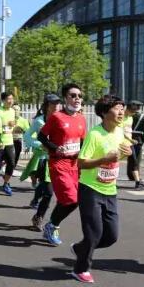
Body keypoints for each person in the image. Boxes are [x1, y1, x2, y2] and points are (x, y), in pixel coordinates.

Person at [70, 95, 132, 283]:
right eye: (117, 108)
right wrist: (104, 159)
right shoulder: (95, 134)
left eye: (123, 107)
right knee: (93, 233)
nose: (121, 111)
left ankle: (81, 248)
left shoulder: (120, 132)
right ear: (104, 112)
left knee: (111, 236)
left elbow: (117, 156)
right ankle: (81, 269)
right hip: (90, 189)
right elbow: (81, 163)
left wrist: (126, 153)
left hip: (110, 190)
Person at [38, 84, 87, 246]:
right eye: (73, 95)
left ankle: (51, 224)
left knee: (74, 200)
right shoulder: (57, 117)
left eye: (79, 95)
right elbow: (42, 136)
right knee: (71, 199)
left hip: (75, 165)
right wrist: (55, 148)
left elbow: (83, 141)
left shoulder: (81, 118)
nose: (77, 98)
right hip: (58, 163)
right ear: (66, 98)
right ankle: (52, 226)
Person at [22, 94, 62, 232]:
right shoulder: (39, 121)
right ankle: (39, 217)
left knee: (47, 188)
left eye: (58, 104)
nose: (56, 106)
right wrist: (39, 144)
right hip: (44, 159)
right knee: (49, 192)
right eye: (53, 104)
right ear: (46, 106)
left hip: (60, 160)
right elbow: (27, 136)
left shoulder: (62, 119)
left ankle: (36, 200)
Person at [123, 101, 144, 189]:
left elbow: (129, 130)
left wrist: (131, 140)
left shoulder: (130, 118)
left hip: (129, 143)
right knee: (114, 161)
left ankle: (138, 181)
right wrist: (130, 139)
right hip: (122, 142)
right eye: (132, 111)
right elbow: (120, 131)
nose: (133, 113)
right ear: (127, 109)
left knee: (134, 161)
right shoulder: (121, 118)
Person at [0, 91, 17, 195]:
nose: (10, 101)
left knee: (12, 163)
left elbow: (13, 124)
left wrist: (13, 124)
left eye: (12, 99)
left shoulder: (13, 111)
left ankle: (6, 183)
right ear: (3, 100)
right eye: (8, 99)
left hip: (9, 141)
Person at [12, 104, 30, 171]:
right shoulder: (8, 119)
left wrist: (27, 146)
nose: (15, 111)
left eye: (17, 110)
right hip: (8, 141)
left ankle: (12, 168)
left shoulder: (24, 121)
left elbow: (28, 133)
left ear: (19, 111)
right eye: (14, 109)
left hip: (17, 140)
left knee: (16, 155)